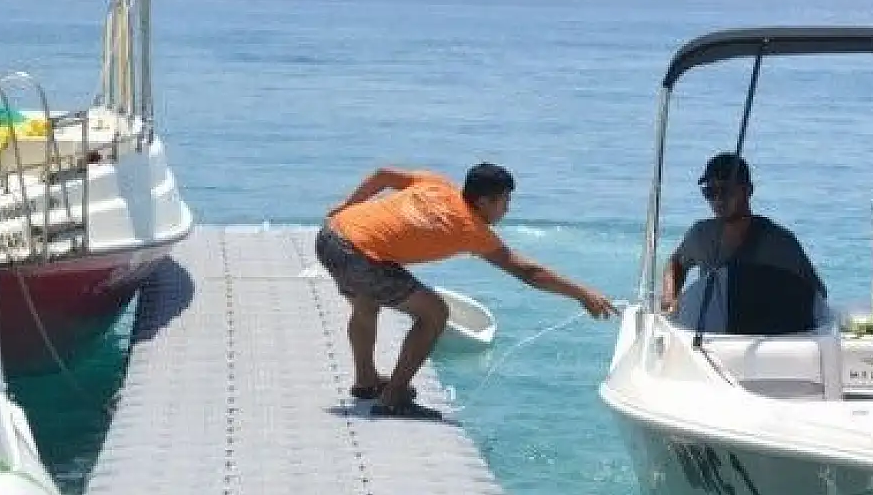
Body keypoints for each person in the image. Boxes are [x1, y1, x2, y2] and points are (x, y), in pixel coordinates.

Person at [316, 162, 616, 420]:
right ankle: (393, 399)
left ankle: (366, 382)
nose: (507, 208)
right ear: (485, 202)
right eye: (505, 201)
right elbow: (528, 272)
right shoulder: (471, 229)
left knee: (366, 304)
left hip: (332, 235)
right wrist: (581, 293)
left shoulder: (437, 184)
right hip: (358, 256)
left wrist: (347, 206)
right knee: (434, 313)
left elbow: (382, 175)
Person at [659, 152, 826, 334]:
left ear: (748, 190)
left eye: (725, 191)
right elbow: (676, 263)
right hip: (712, 337)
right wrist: (670, 300)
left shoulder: (780, 242)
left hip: (764, 339)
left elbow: (816, 293)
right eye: (710, 192)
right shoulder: (701, 235)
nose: (717, 200)